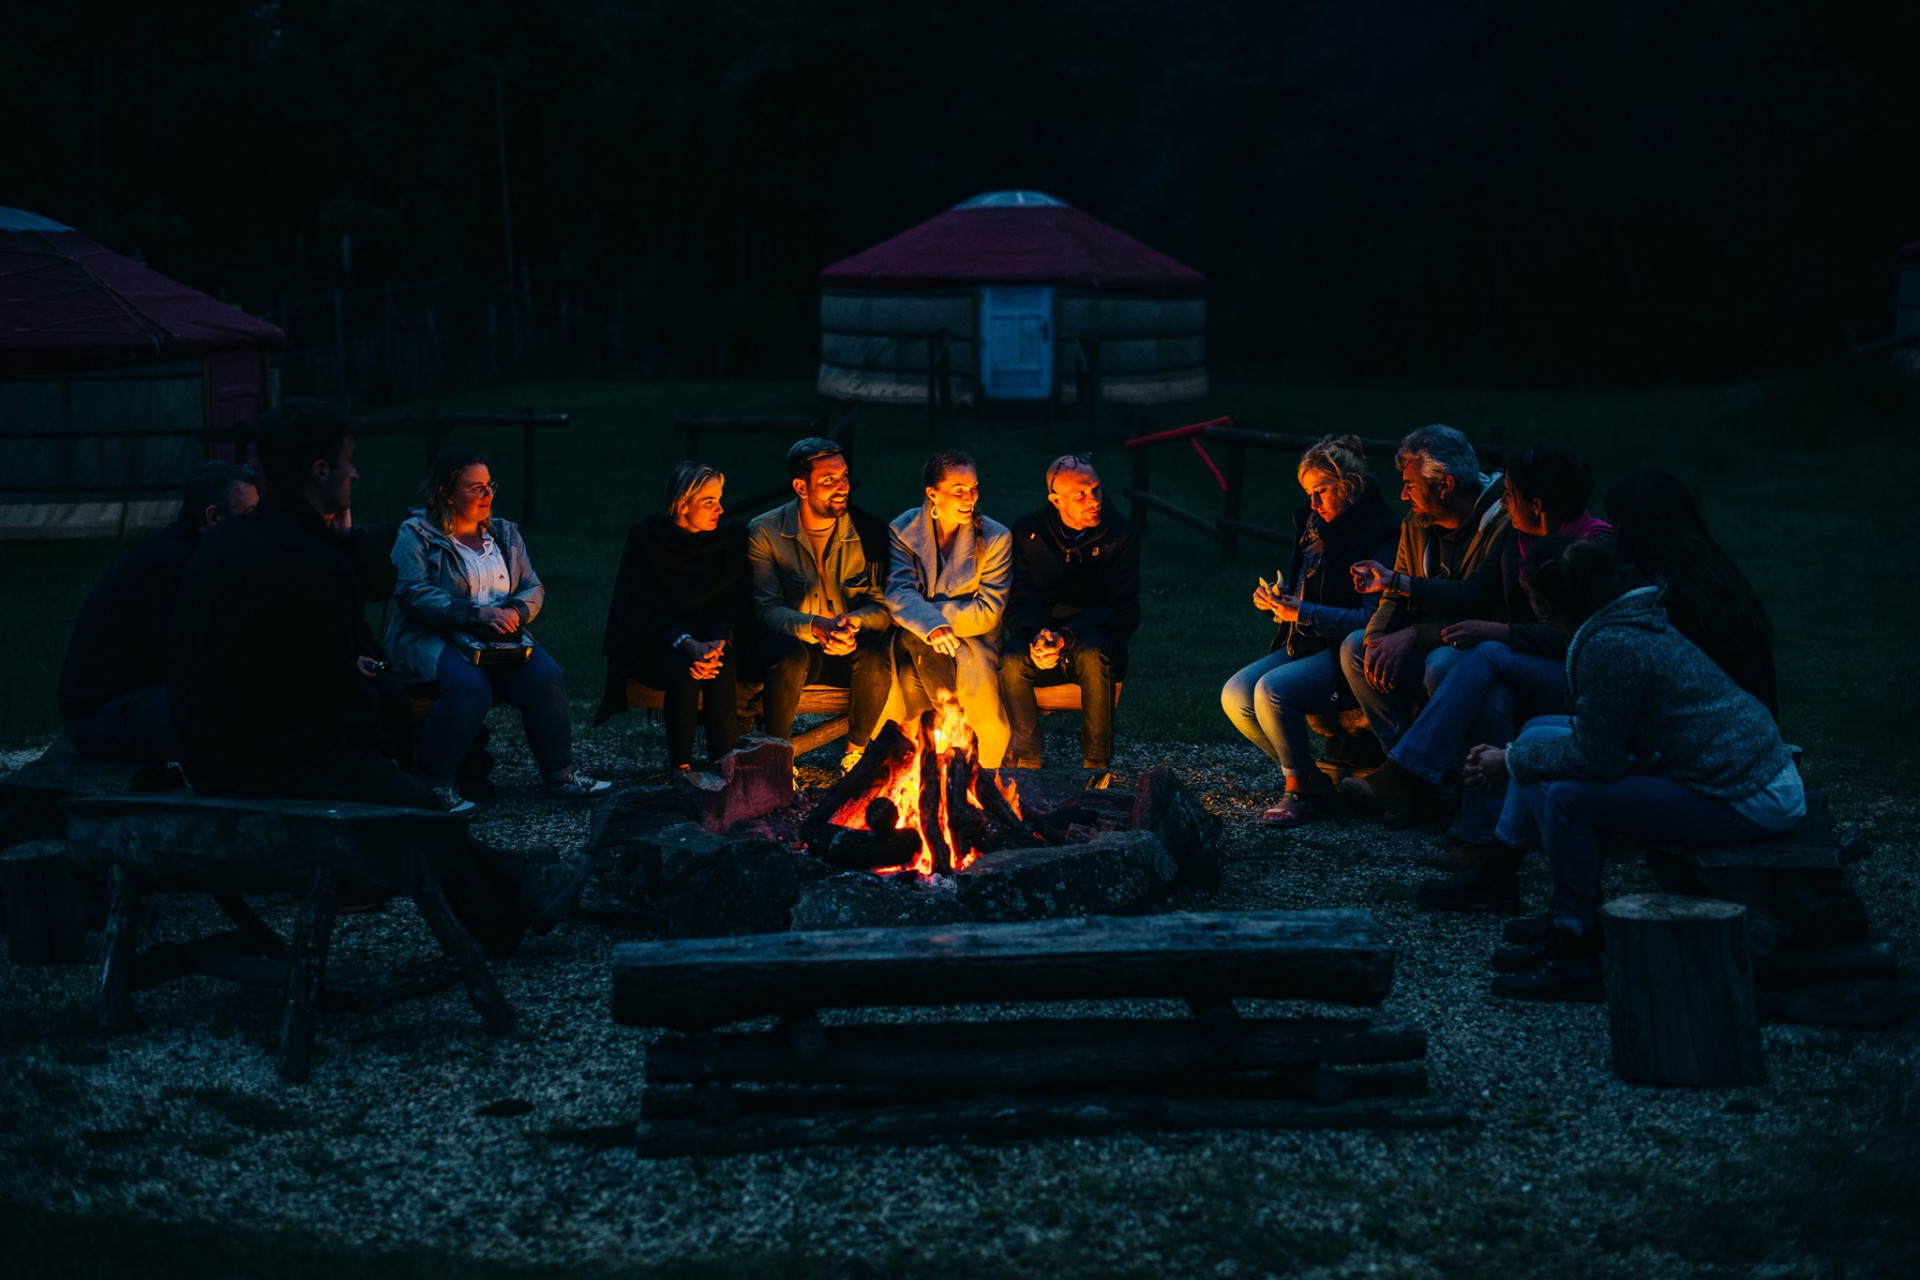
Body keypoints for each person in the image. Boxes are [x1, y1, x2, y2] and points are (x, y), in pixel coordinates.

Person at [167, 401, 589, 953]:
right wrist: (382, 754)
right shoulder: (305, 561)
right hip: (268, 758)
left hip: (220, 747)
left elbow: (371, 586)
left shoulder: (239, 540)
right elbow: (338, 684)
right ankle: (508, 909)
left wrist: (341, 530)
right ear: (321, 470)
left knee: (408, 795)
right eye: (349, 461)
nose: (356, 473)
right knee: (405, 800)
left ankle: (518, 887)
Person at [1427, 539, 1804, 1002]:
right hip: (1728, 766)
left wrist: (1507, 761)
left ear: (1550, 606)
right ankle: (1499, 875)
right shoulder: (1623, 623)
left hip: (1748, 792)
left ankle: (1576, 949)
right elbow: (1600, 741)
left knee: (1569, 800)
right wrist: (1518, 753)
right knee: (1536, 734)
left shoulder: (1613, 645)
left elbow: (1596, 759)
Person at [1340, 446, 1613, 869]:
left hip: (1587, 678)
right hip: (1526, 663)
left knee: (1484, 654)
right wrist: (1399, 594)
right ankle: (1481, 839)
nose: (1502, 502)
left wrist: (1503, 632)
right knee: (1493, 696)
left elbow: (1591, 639)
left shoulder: (1592, 547)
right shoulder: (1518, 538)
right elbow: (1477, 593)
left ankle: (1406, 771)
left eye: (1509, 494)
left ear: (1536, 504)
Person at [386, 450, 611, 812]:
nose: (487, 495)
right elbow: (411, 592)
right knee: (468, 687)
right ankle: (434, 785)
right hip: (433, 636)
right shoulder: (418, 534)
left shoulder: (504, 534)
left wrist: (516, 611)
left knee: (547, 678)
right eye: (475, 488)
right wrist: (474, 614)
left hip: (495, 638)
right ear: (446, 493)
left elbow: (532, 586)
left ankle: (561, 775)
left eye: (489, 485)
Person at [1218, 435, 1398, 823]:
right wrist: (1278, 601)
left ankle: (1297, 791)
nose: (1312, 503)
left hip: (1346, 653)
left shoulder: (1380, 532)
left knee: (1272, 691)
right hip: (1305, 644)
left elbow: (1369, 620)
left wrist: (1303, 612)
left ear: (1350, 485)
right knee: (1235, 694)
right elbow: (1306, 592)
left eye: (1322, 491)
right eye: (1307, 492)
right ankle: (1312, 781)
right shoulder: (1314, 527)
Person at [58, 460, 259, 763]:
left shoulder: (199, 556)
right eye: (249, 515)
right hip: (104, 714)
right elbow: (188, 661)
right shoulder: (172, 566)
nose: (257, 526)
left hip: (142, 697)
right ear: (214, 517)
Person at [1338, 424, 1512, 761]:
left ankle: (1439, 769)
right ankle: (1400, 755)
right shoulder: (1416, 524)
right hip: (1427, 636)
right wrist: (1377, 641)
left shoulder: (1503, 522)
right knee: (1355, 646)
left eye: (1410, 487)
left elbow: (1476, 598)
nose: (1403, 496)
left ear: (1445, 485)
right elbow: (1391, 593)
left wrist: (1414, 632)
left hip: (1473, 642)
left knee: (1440, 664)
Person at [746, 438, 892, 774]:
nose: (842, 487)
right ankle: (778, 758)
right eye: (829, 480)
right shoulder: (765, 532)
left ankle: (856, 756)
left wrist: (852, 623)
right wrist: (814, 626)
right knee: (787, 656)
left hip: (848, 644)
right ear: (801, 486)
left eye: (844, 477)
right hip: (799, 647)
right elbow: (766, 609)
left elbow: (882, 607)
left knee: (875, 654)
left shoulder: (867, 530)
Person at [597, 461, 749, 771]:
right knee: (685, 664)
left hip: (714, 641)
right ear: (682, 505)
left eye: (720, 499)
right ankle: (681, 768)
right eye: (709, 502)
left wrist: (716, 642)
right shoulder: (648, 540)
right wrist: (685, 642)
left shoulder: (729, 541)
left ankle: (725, 765)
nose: (720, 509)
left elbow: (737, 603)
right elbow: (638, 608)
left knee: (721, 662)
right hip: (657, 645)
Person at [1001, 454, 1141, 775]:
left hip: (1094, 641)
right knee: (1010, 659)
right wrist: (1036, 636)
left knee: (1094, 655)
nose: (1093, 500)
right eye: (1080, 494)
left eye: (1096, 489)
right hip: (1041, 642)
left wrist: (1065, 637)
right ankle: (1026, 758)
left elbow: (1123, 610)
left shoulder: (1119, 535)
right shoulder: (1028, 532)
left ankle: (1095, 765)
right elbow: (1019, 597)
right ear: (1055, 499)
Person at [1604, 469, 1778, 717]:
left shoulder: (1679, 601)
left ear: (1632, 526)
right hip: (1741, 728)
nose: (1614, 533)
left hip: (1716, 736)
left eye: (1616, 524)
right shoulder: (1707, 571)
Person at [883, 450, 1013, 768]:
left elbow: (988, 610)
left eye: (974, 488)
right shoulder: (904, 531)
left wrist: (926, 614)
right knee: (915, 646)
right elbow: (899, 590)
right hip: (918, 637)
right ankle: (929, 748)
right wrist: (931, 626)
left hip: (973, 640)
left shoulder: (995, 538)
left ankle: (949, 750)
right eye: (959, 490)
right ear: (932, 494)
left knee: (918, 640)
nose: (970, 498)